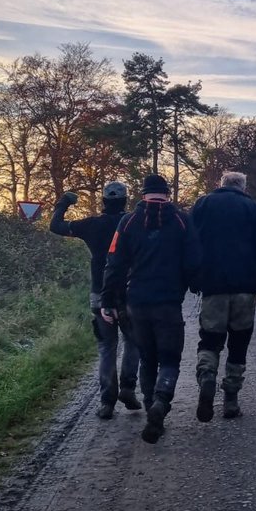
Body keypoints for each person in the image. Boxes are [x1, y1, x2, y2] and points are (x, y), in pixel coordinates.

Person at [101, 174, 201, 444]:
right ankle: (161, 402)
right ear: (166, 194)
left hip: (137, 304)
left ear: (143, 194)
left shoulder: (128, 221)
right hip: (169, 303)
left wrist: (108, 301)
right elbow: (194, 259)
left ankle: (150, 408)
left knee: (147, 358)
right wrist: (194, 285)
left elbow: (114, 264)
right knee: (170, 359)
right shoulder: (181, 220)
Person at [190, 171, 256, 422]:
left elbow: (190, 241)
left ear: (221, 185)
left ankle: (207, 375)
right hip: (245, 288)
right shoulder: (252, 208)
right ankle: (231, 399)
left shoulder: (202, 205)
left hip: (212, 287)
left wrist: (192, 278)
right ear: (243, 187)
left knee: (210, 339)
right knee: (239, 342)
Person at [50, 182, 142, 420]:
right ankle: (129, 388)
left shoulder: (90, 225)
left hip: (99, 294)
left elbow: (56, 226)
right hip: (130, 292)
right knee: (134, 342)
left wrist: (64, 202)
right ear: (125, 201)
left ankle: (106, 401)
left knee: (106, 347)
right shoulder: (133, 223)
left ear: (103, 202)